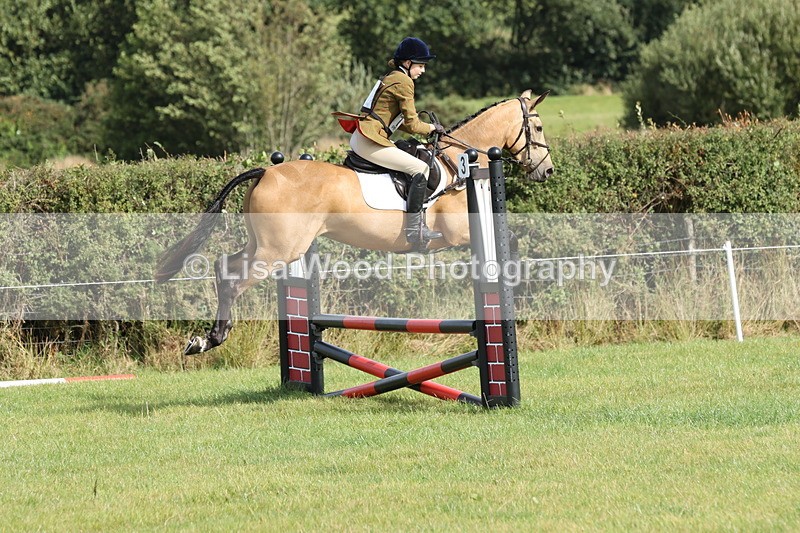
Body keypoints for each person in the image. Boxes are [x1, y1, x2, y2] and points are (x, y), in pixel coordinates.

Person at [349, 36, 445, 248]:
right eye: (420, 65)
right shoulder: (404, 81)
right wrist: (432, 128)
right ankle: (414, 229)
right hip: (369, 140)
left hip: (364, 135)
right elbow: (412, 124)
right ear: (408, 63)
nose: (423, 71)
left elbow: (393, 121)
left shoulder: (392, 76)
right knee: (420, 168)